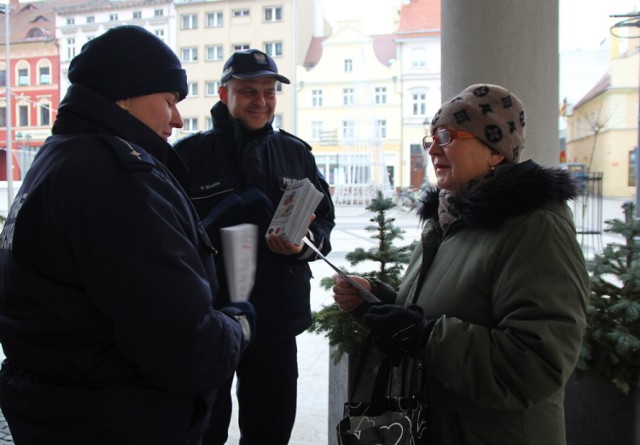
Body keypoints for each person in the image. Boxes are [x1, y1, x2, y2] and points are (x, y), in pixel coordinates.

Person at [0, 26, 254, 445]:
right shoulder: (116, 178)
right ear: (124, 94)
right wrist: (237, 326)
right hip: (116, 418)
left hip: (65, 412)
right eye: (169, 101)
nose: (176, 119)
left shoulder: (62, 155)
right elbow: (183, 347)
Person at [333, 84, 589, 444]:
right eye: (431, 137)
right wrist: (380, 303)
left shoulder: (535, 227)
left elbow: (535, 364)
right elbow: (444, 310)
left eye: (447, 136)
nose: (433, 148)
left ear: (495, 151)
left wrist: (423, 336)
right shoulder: (449, 220)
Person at [169, 49, 335, 445]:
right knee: (203, 429)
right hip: (209, 319)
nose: (261, 101)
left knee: (271, 430)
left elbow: (324, 224)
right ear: (225, 93)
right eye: (248, 92)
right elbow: (167, 235)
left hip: (277, 319)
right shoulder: (188, 155)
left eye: (269, 92)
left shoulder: (296, 154)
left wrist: (301, 247)